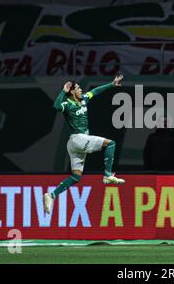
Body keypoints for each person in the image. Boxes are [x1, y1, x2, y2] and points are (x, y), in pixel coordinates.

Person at [43, 75, 125, 214]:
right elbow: (56, 106)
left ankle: (52, 195)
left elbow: (96, 91)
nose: (81, 90)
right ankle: (107, 175)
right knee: (110, 144)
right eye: (78, 88)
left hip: (75, 143)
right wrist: (64, 91)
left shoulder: (84, 99)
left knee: (76, 176)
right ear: (73, 91)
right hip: (78, 139)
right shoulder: (67, 104)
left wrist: (111, 84)